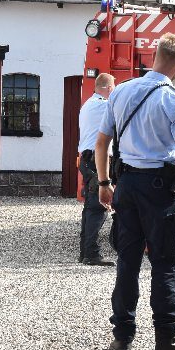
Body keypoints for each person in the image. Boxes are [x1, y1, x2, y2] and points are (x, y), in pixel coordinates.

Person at [95, 33, 175, 350]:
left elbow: (101, 143)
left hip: (126, 185)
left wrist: (103, 182)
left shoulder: (122, 92)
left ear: (155, 54)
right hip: (159, 191)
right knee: (164, 266)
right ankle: (166, 342)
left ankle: (122, 340)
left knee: (126, 264)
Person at [77, 73, 116, 266]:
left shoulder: (88, 105)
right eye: (114, 87)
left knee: (89, 208)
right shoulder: (103, 105)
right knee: (97, 208)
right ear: (109, 88)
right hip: (96, 161)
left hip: (86, 160)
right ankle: (91, 253)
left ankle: (85, 251)